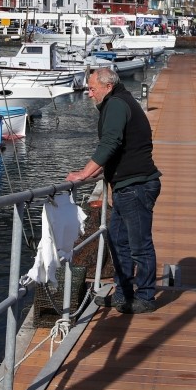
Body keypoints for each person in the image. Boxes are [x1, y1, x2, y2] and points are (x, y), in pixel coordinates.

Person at [66, 67, 162, 314]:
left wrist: (84, 174)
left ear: (107, 87)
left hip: (136, 185)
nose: (89, 94)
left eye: (92, 88)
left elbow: (111, 142)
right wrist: (100, 172)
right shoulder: (118, 102)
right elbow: (119, 147)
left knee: (139, 244)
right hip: (125, 185)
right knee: (118, 241)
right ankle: (122, 294)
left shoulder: (117, 104)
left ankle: (146, 296)